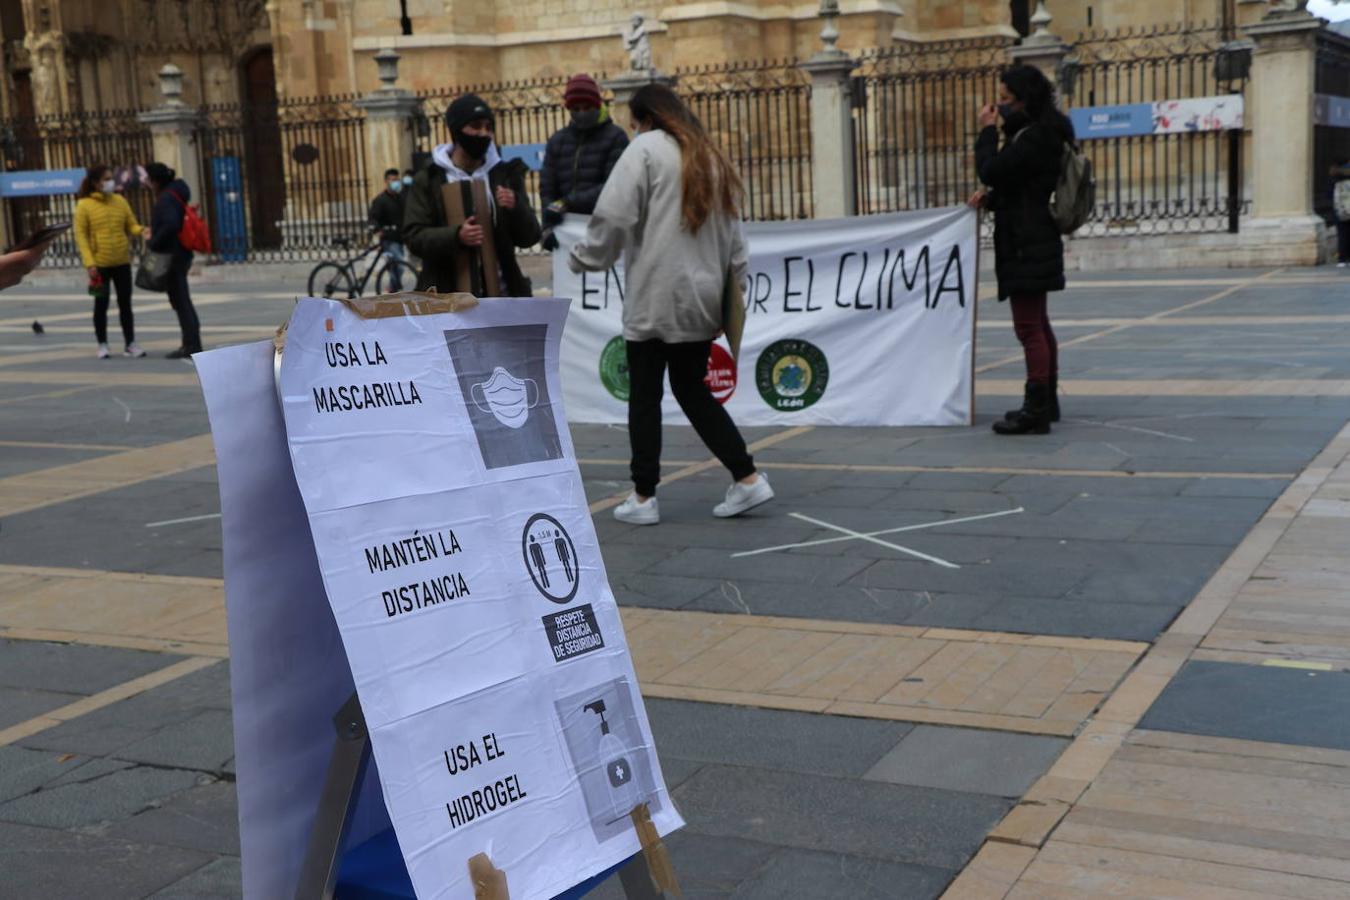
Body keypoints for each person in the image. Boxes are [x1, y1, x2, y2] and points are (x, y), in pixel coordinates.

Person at [569, 83, 772, 526]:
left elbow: (614, 216)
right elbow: (737, 245)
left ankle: (643, 497)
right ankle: (747, 476)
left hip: (655, 298)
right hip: (701, 301)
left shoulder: (644, 150)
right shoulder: (710, 156)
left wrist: (585, 257)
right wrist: (729, 302)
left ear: (643, 117)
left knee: (644, 395)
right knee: (692, 389)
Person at [970, 64, 1074, 435]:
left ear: (1023, 99)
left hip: (1026, 242)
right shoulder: (1042, 133)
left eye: (1004, 100)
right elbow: (1020, 186)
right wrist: (993, 200)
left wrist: (985, 131)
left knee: (1028, 327)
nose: (999, 108)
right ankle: (1047, 399)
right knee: (1039, 324)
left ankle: (1037, 410)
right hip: (1033, 235)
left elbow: (992, 170)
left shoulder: (1033, 137)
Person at [403, 94, 540, 296]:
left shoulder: (504, 175)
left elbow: (530, 237)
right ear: (457, 131)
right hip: (446, 296)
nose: (483, 133)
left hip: (502, 295)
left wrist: (515, 207)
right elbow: (414, 236)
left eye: (488, 127)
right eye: (475, 126)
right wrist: (456, 236)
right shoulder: (429, 179)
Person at [539, 74, 629, 251]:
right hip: (565, 232)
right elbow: (547, 186)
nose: (581, 113)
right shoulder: (558, 141)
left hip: (603, 229)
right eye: (575, 108)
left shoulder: (615, 137)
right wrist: (547, 226)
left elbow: (613, 186)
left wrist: (567, 203)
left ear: (597, 105)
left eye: (587, 107)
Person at [74, 164, 149, 359]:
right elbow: (81, 236)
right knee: (101, 304)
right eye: (106, 179)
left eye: (110, 178)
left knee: (126, 303)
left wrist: (142, 231)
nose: (110, 182)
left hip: (122, 261)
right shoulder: (84, 205)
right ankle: (102, 344)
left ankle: (130, 344)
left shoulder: (120, 201)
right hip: (98, 265)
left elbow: (131, 224)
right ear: (95, 183)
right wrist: (89, 264)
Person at [144, 162, 202, 358]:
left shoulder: (166, 198)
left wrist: (153, 241)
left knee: (181, 300)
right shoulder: (175, 193)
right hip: (180, 254)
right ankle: (191, 342)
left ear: (155, 180)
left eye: (148, 179)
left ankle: (191, 344)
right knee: (181, 299)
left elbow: (170, 224)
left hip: (172, 256)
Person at [369, 167, 408, 290]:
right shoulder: (380, 200)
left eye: (397, 180)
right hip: (388, 239)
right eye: (392, 180)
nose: (395, 182)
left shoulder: (400, 198)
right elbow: (373, 219)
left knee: (395, 267)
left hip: (399, 239)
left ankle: (393, 290)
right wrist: (378, 231)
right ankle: (392, 288)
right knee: (399, 265)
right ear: (386, 182)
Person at [1332, 158, 1350, 268]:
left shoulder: (1337, 183)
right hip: (1342, 211)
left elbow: (1334, 198)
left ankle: (1342, 258)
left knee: (1343, 235)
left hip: (1341, 212)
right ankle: (1344, 257)